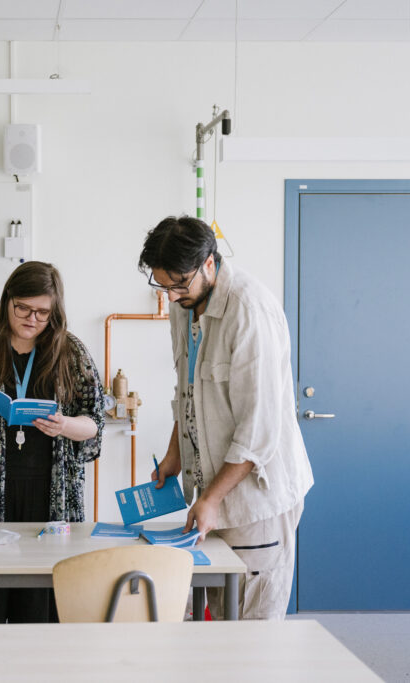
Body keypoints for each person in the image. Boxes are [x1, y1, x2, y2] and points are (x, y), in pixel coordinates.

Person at [139, 215, 313, 620]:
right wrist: (173, 456)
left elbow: (259, 429)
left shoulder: (250, 311)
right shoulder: (183, 305)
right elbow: (188, 392)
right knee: (217, 613)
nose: (172, 294)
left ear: (210, 264)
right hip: (212, 493)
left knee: (250, 623)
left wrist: (212, 498)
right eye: (163, 285)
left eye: (179, 283)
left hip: (256, 498)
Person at [0, 260, 104, 624]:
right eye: (22, 308)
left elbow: (93, 423)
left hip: (49, 496)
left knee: (41, 609)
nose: (31, 319)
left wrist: (65, 425)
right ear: (7, 300)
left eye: (43, 312)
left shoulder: (70, 351)